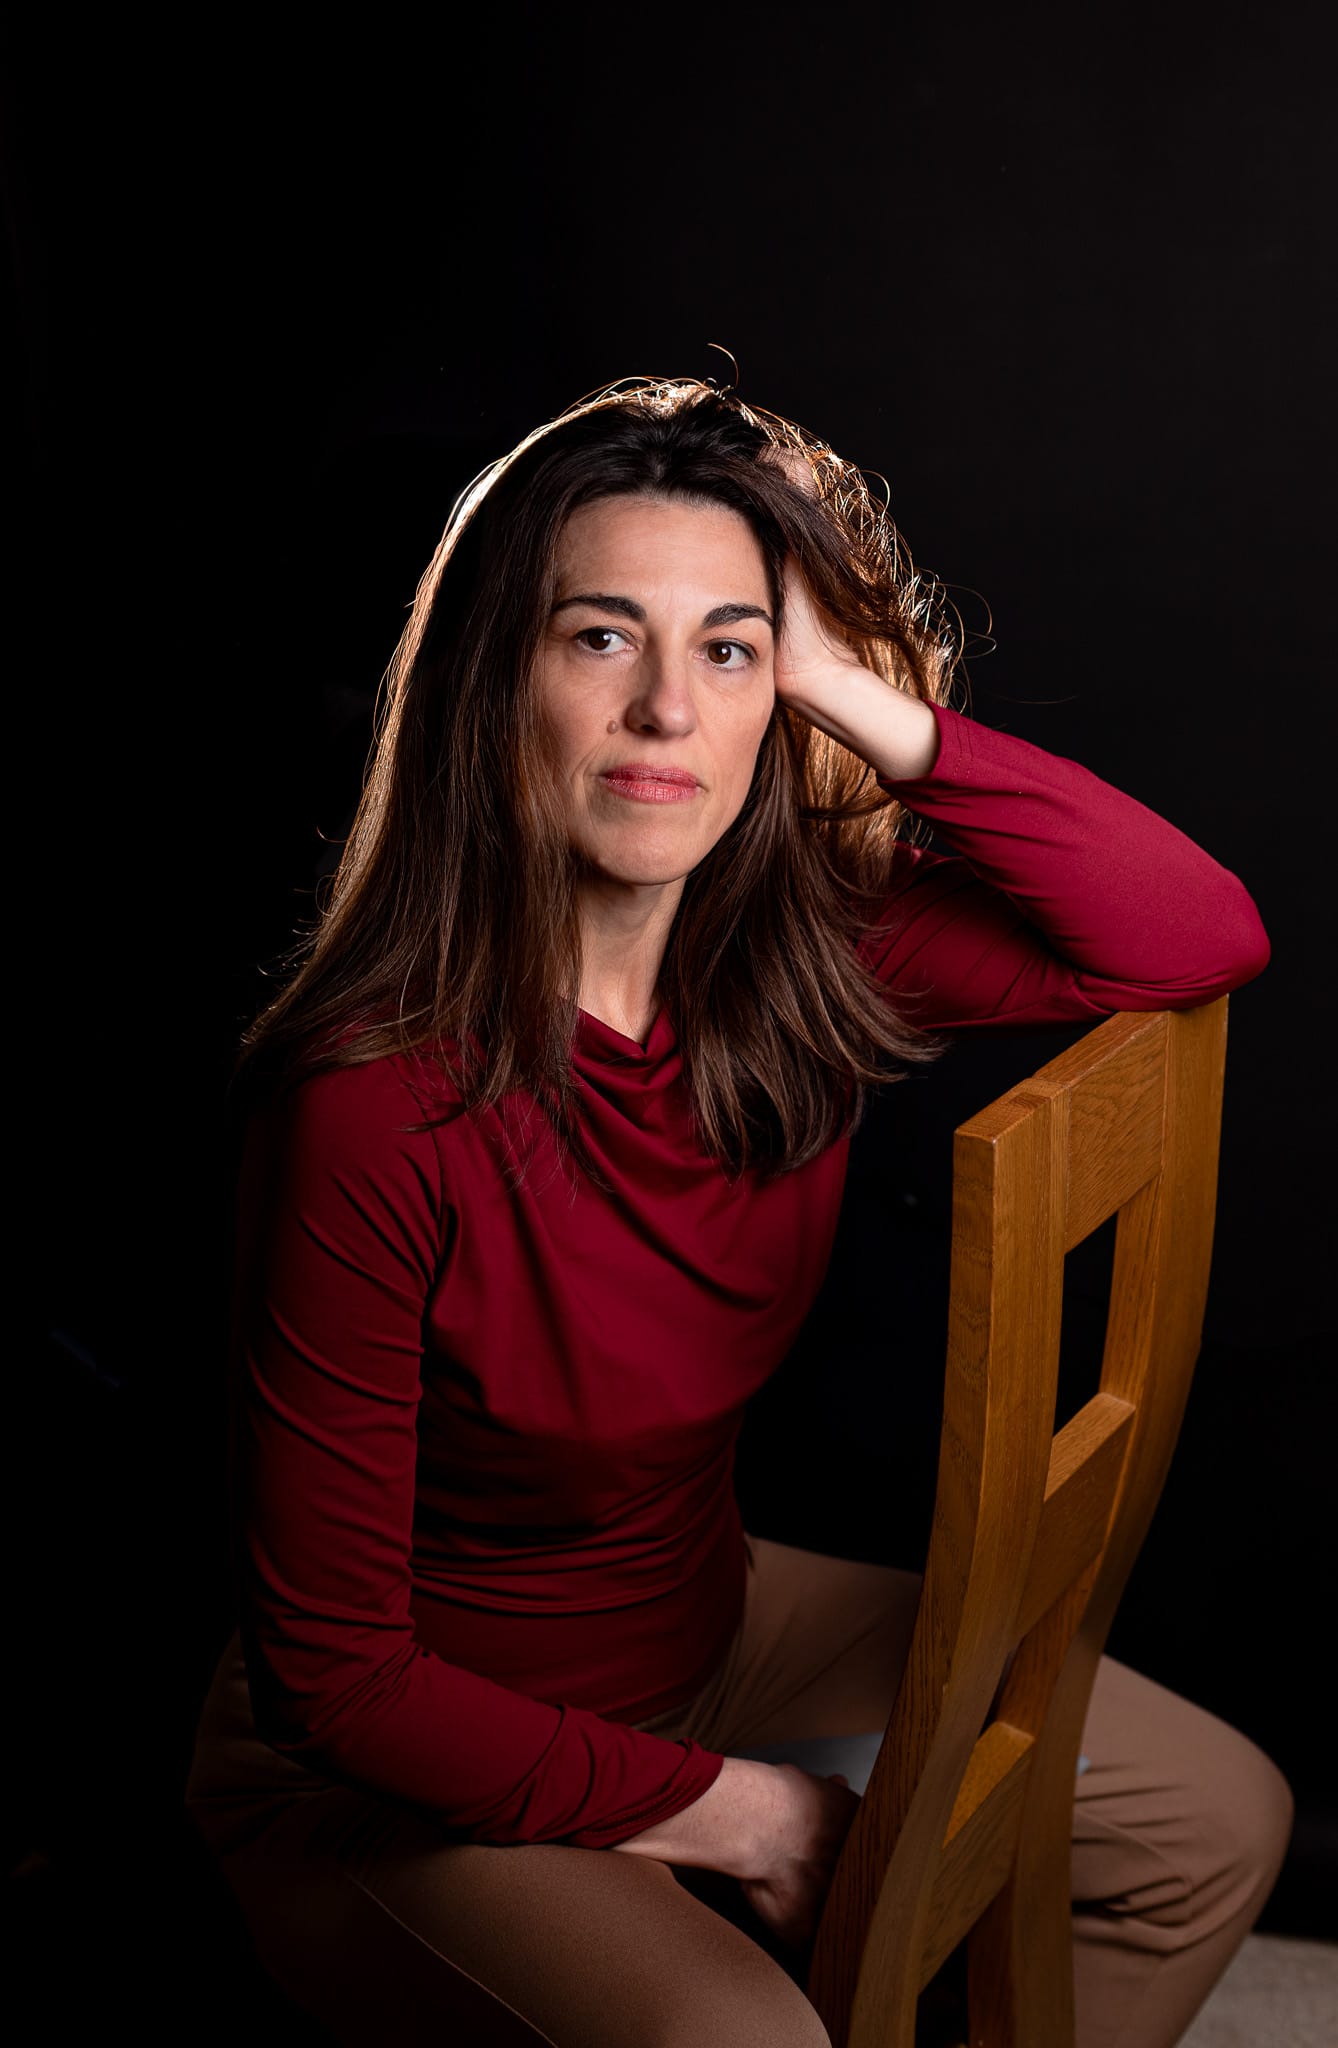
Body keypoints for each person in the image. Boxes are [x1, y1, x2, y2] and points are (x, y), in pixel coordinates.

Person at [185, 375, 1291, 2048]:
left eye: (725, 649)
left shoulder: (796, 971)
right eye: (599, 639)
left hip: (705, 1626)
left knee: (1208, 1823)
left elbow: (1190, 932)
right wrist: (749, 1816)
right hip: (408, 1752)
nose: (663, 710)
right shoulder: (369, 1101)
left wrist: (844, 682)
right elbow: (338, 1682)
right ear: (491, 681)